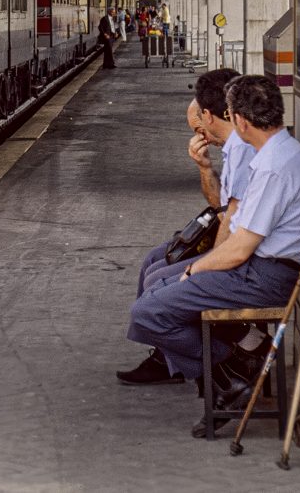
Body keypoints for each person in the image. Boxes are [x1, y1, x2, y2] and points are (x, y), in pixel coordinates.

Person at [127, 75, 300, 436]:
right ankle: (232, 375)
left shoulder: (274, 168)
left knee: (148, 311)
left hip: (265, 277)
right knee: (159, 292)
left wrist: (196, 270)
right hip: (262, 268)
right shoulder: (278, 155)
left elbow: (239, 248)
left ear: (241, 121)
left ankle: (231, 373)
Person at [117, 68, 255, 385]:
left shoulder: (243, 150)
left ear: (211, 115)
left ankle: (226, 366)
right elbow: (220, 206)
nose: (200, 137)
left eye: (200, 128)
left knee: (158, 278)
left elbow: (229, 220)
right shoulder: (234, 149)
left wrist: (204, 265)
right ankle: (169, 357)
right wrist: (205, 167)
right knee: (153, 262)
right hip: (238, 250)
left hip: (245, 261)